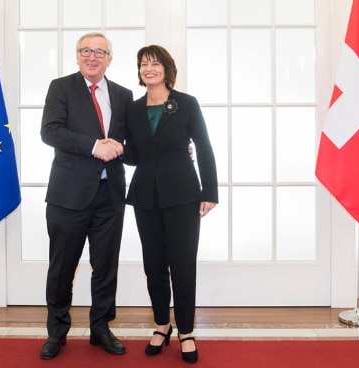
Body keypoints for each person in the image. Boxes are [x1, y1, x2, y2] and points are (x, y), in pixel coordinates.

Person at [39, 32, 133, 360]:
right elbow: (50, 131)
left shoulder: (123, 95)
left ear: (109, 59)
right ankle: (57, 332)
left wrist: (126, 146)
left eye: (100, 52)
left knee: (105, 266)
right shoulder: (60, 87)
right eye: (86, 51)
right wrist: (95, 146)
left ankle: (101, 328)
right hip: (68, 196)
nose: (92, 57)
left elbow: (130, 143)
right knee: (62, 268)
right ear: (77, 56)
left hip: (110, 195)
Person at [123, 45, 218, 364]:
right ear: (138, 71)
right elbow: (134, 155)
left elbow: (204, 147)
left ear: (166, 68)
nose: (148, 68)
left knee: (182, 263)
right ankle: (162, 325)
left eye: (155, 63)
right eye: (143, 64)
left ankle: (187, 331)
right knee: (153, 264)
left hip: (183, 194)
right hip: (144, 196)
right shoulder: (133, 110)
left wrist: (210, 191)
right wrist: (116, 147)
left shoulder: (186, 103)